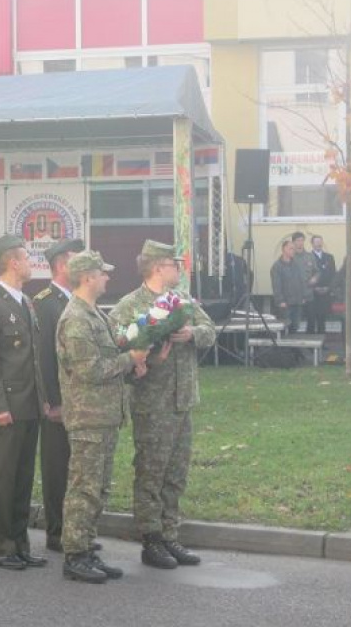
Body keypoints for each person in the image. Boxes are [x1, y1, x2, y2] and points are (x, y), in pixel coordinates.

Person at [110, 240, 216, 569]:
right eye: (174, 264)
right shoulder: (129, 305)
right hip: (152, 403)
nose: (179, 269)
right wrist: (144, 355)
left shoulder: (181, 300)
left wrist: (192, 333)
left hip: (182, 400)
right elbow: (117, 346)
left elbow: (210, 330)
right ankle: (151, 539)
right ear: (157, 267)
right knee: (151, 473)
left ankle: (170, 535)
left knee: (176, 473)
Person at [57, 250, 147, 583]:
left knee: (99, 489)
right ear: (87, 277)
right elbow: (89, 371)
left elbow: (109, 359)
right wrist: (130, 359)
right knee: (84, 489)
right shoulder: (76, 319)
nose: (108, 277)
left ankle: (86, 547)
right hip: (88, 418)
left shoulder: (95, 314)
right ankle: (74, 555)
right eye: (102, 273)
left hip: (105, 415)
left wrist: (133, 363)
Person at [0, 235, 46, 571]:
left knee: (22, 478)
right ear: (13, 262)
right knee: (2, 479)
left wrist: (43, 400)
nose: (30, 263)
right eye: (26, 258)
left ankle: (20, 543)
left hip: (29, 404)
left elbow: (32, 358)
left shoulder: (25, 302)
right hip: (6, 406)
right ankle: (1, 547)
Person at [32, 237, 84, 552]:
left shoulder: (77, 300)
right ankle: (56, 531)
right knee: (56, 466)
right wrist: (52, 401)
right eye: (77, 260)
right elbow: (44, 357)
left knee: (76, 468)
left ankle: (75, 530)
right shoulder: (45, 302)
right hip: (58, 402)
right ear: (62, 265)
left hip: (80, 400)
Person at [270, 240, 307, 334]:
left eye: (294, 249)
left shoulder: (296, 264)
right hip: (285, 303)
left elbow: (301, 281)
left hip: (297, 302)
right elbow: (276, 285)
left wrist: (303, 296)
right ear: (284, 249)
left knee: (295, 327)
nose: (293, 251)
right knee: (284, 327)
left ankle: (293, 343)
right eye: (291, 249)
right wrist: (280, 300)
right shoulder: (277, 266)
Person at [309, 235, 336, 335]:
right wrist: (314, 288)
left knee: (322, 319)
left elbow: (333, 274)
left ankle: (321, 339)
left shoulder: (329, 257)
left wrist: (329, 288)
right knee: (311, 319)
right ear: (312, 244)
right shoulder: (308, 257)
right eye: (316, 242)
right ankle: (310, 341)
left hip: (325, 293)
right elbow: (305, 275)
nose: (319, 244)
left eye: (320, 241)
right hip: (312, 294)